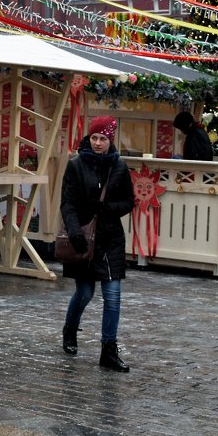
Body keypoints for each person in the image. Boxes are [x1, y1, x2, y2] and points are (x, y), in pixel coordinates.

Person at [59, 116, 135, 372]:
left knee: (113, 297)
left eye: (103, 138)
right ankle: (70, 329)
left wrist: (108, 208)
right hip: (83, 238)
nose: (98, 143)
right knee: (85, 293)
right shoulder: (76, 165)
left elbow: (128, 201)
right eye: (94, 137)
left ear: (110, 139)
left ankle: (109, 350)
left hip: (111, 237)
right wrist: (74, 231)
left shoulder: (120, 166)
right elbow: (67, 203)